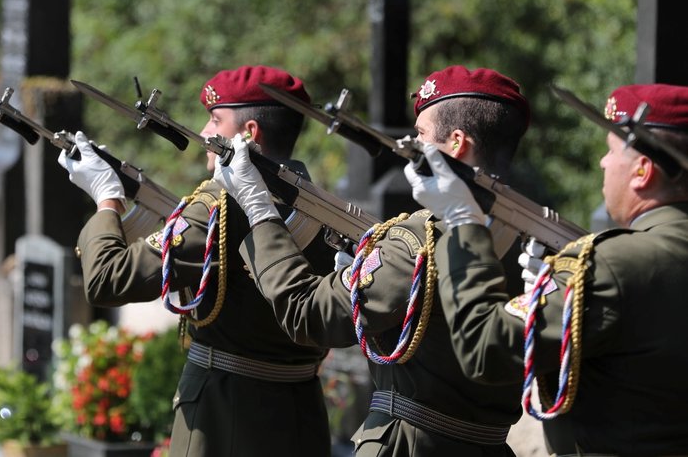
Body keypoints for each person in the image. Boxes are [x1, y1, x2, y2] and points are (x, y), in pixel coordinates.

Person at [215, 65, 530, 455]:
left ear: (456, 144)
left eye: (421, 136)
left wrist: (258, 207)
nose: (411, 148)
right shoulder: (534, 244)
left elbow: (308, 314)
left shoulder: (417, 242)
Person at [58, 65, 334, 457]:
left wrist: (107, 199)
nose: (205, 132)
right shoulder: (327, 212)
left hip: (223, 420)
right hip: (302, 418)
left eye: (215, 119)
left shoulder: (216, 209)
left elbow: (107, 279)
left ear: (248, 134)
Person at [405, 83, 688, 455]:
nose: (603, 163)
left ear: (643, 171)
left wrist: (462, 222)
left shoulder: (612, 264)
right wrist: (551, 300)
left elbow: (484, 347)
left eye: (611, 151)